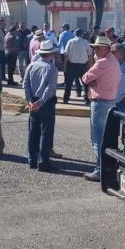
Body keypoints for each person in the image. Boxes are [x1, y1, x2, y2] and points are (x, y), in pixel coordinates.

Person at [81, 35, 121, 181]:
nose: (95, 50)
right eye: (95, 47)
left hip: (100, 103)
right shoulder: (113, 60)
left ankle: (99, 170)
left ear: (106, 48)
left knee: (98, 139)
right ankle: (107, 168)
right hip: (110, 101)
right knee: (107, 138)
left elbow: (85, 78)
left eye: (97, 48)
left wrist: (94, 82)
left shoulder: (102, 62)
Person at [24, 39, 58, 171]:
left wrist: (30, 101)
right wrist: (41, 102)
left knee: (33, 131)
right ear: (50, 54)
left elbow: (26, 83)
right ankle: (43, 162)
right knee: (46, 132)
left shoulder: (32, 65)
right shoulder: (51, 68)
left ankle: (32, 159)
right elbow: (50, 88)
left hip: (33, 99)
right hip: (46, 102)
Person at [63, 28, 90, 103]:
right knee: (85, 83)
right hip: (83, 66)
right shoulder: (86, 42)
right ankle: (86, 99)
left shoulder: (70, 41)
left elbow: (66, 55)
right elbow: (90, 55)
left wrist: (65, 66)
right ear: (82, 34)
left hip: (72, 65)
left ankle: (66, 99)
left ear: (74, 34)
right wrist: (89, 66)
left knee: (69, 83)